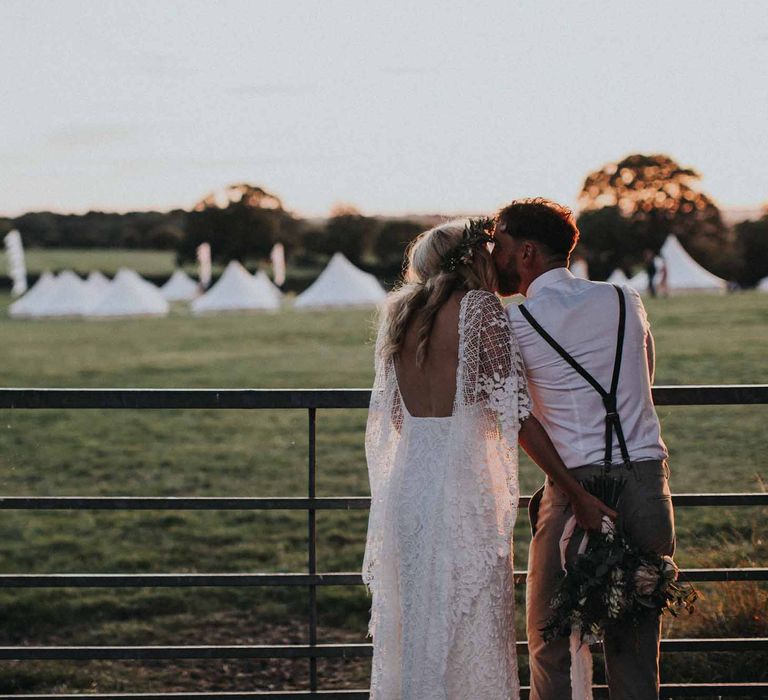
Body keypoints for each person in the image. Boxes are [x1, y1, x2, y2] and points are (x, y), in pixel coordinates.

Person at [363, 219, 614, 700]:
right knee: (470, 622)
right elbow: (515, 412)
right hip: (462, 488)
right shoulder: (479, 309)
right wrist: (572, 487)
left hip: (412, 484)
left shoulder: (400, 311)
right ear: (474, 258)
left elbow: (395, 416)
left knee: (421, 625)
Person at [493, 198, 675, 700]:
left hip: (576, 487)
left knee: (550, 636)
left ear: (526, 251)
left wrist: (576, 494)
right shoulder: (624, 298)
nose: (494, 256)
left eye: (500, 246)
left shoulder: (518, 322)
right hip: (646, 480)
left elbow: (521, 420)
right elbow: (645, 375)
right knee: (635, 641)